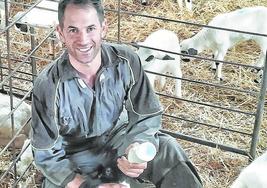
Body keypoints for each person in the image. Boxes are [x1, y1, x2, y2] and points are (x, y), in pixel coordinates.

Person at [30, 0, 203, 187]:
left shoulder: (126, 61)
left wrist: (137, 145)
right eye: (73, 30)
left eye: (90, 28)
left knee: (168, 149)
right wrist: (86, 184)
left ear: (103, 28)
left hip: (118, 143)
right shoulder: (48, 84)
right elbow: (45, 152)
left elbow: (146, 113)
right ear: (60, 32)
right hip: (74, 159)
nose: (83, 39)